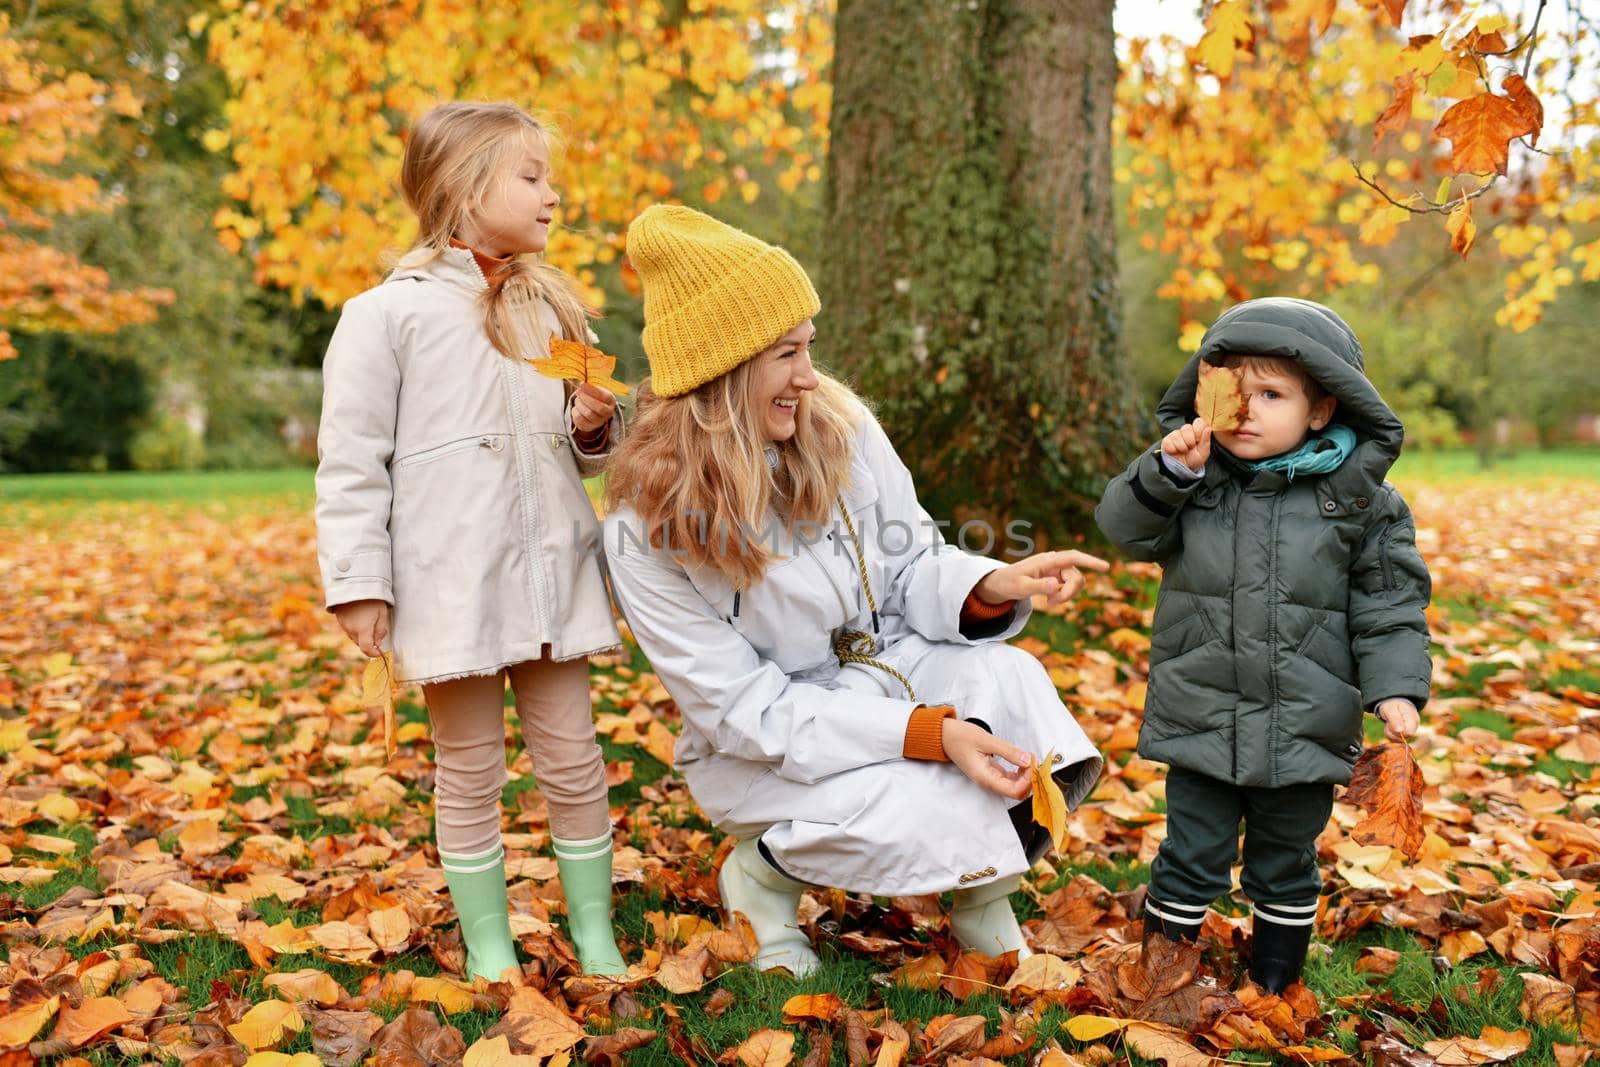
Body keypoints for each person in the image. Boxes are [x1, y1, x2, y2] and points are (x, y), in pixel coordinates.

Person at [601, 204, 1106, 977]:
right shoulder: (646, 530)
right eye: (786, 354)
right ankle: (762, 879)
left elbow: (910, 565)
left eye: (809, 347)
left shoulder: (835, 425)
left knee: (1015, 682)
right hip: (764, 747)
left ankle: (981, 892)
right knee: (915, 789)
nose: (809, 374)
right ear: (722, 372)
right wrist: (929, 734)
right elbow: (748, 712)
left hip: (885, 671)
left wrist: (990, 583)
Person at [314, 101, 627, 979]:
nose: (552, 196)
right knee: (470, 768)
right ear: (461, 188)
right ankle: (492, 946)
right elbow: (350, 461)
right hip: (451, 581)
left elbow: (589, 449)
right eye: (530, 178)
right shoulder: (385, 317)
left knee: (574, 760)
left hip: (552, 578)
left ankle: (594, 931)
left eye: (549, 178)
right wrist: (358, 584)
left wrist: (595, 423)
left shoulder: (554, 311)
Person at [1095, 297, 1431, 992]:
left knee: (1285, 858)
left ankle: (1277, 983)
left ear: (1321, 409)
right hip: (1203, 714)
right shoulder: (1196, 478)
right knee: (1192, 851)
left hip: (1304, 720)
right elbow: (1126, 529)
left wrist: (1395, 686)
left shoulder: (1362, 500)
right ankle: (1163, 976)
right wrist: (1169, 472)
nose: (1246, 410)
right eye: (1230, 393)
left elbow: (1390, 602)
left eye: (1271, 394)